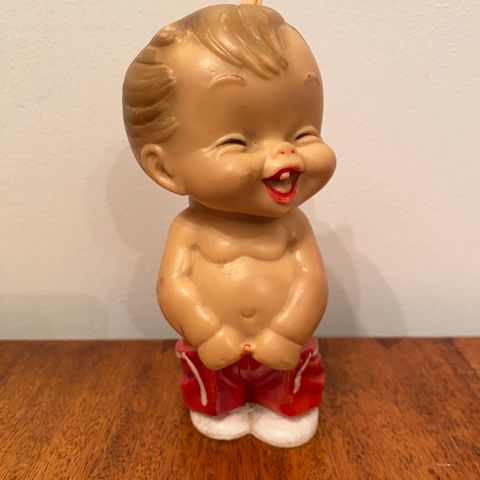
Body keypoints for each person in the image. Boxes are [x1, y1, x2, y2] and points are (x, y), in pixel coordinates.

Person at [123, 1, 336, 447]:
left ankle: (285, 404)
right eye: (238, 140)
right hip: (215, 351)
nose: (286, 155)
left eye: (303, 133)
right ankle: (222, 405)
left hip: (284, 349)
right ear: (164, 169)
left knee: (291, 383)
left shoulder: (294, 226)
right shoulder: (188, 230)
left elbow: (310, 281)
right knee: (212, 388)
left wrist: (288, 332)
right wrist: (205, 330)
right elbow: (174, 285)